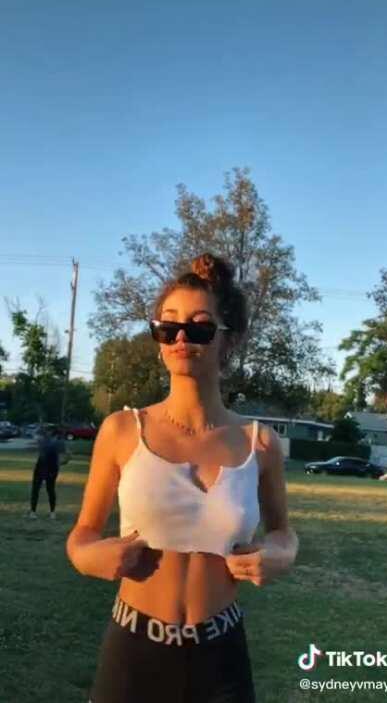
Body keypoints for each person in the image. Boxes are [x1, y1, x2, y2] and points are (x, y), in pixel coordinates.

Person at [66, 252, 299, 703]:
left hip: (222, 655)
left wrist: (280, 555)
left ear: (229, 340)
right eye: (167, 326)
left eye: (199, 327)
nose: (180, 338)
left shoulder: (260, 443)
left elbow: (283, 533)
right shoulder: (122, 430)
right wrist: (90, 557)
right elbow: (83, 534)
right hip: (134, 651)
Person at [26, 426, 67, 519]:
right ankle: (52, 513)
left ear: (51, 432)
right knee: (50, 490)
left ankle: (33, 512)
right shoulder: (60, 442)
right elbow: (68, 456)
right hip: (53, 468)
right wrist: (60, 463)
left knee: (36, 490)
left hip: (41, 467)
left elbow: (39, 451)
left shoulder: (43, 441)